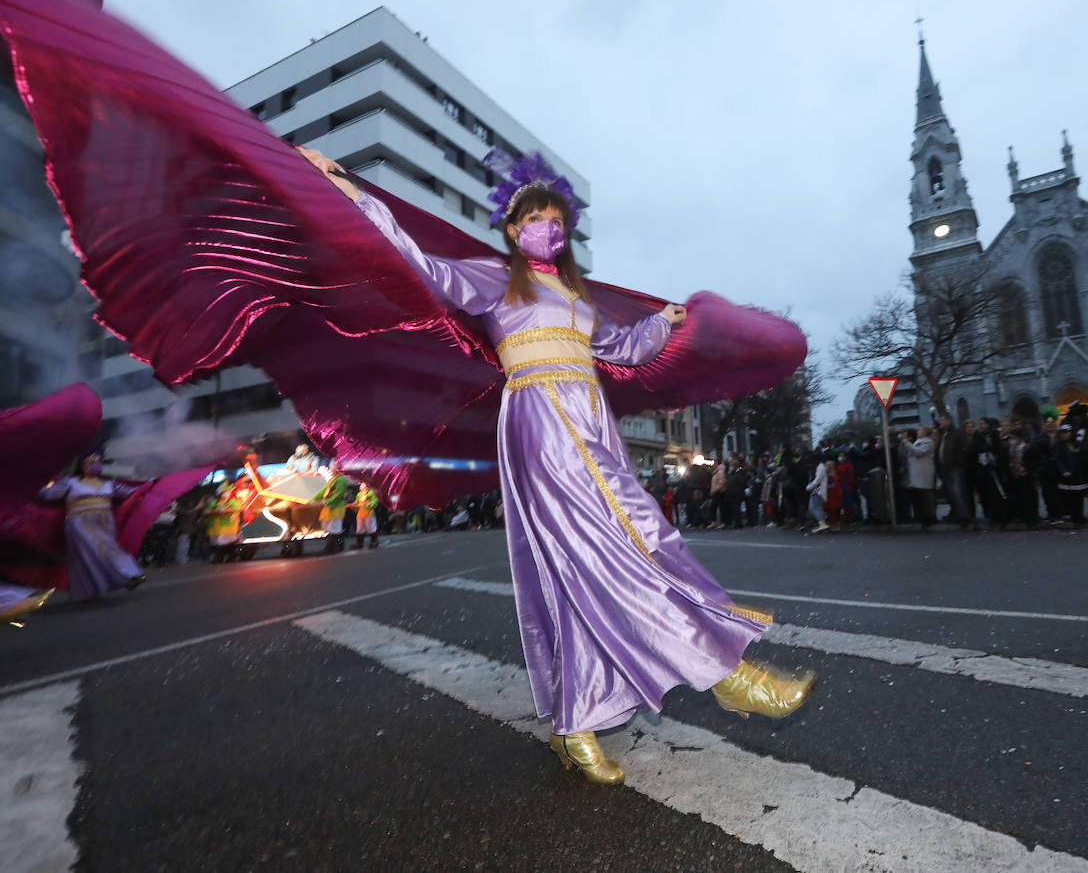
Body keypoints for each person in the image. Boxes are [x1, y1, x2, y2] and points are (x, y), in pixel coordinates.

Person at [301, 146, 811, 786]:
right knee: (619, 547)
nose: (552, 229)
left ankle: (577, 722)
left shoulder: (573, 295)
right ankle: (729, 674)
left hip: (590, 419)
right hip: (541, 419)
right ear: (514, 230)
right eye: (538, 219)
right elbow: (420, 265)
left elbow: (622, 348)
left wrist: (664, 322)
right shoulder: (493, 279)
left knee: (618, 549)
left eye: (559, 221)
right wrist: (354, 195)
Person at [37, 454, 148, 600]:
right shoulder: (70, 482)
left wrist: (149, 487)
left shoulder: (109, 484)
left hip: (105, 523)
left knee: (110, 549)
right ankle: (122, 578)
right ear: (81, 465)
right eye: (89, 461)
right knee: (91, 552)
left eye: (96, 461)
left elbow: (131, 492)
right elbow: (47, 494)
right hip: (78, 523)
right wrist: (37, 483)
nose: (93, 464)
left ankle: (125, 577)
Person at [1052, 425, 1088, 525]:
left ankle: (1079, 516)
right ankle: (1073, 516)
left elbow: (1081, 457)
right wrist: (1063, 470)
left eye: (1067, 432)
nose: (1065, 435)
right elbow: (1058, 459)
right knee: (1069, 498)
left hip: (1078, 475)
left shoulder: (1077, 444)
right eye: (1063, 433)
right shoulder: (1058, 444)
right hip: (1066, 476)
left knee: (1079, 497)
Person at [901, 428, 937, 529]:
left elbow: (918, 452)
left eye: (921, 430)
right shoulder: (917, 442)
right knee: (920, 497)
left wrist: (907, 444)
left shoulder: (928, 442)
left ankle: (930, 517)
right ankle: (922, 517)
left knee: (926, 497)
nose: (918, 431)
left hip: (924, 472)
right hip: (916, 473)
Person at [313, 468, 350, 553]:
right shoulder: (334, 479)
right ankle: (337, 546)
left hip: (336, 506)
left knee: (334, 527)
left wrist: (327, 501)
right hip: (331, 506)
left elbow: (339, 494)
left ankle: (330, 548)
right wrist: (313, 499)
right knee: (330, 527)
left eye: (332, 468)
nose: (330, 470)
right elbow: (323, 491)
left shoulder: (341, 479)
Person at [351, 481, 380, 549]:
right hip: (360, 513)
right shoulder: (359, 494)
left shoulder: (371, 492)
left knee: (371, 527)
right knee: (360, 528)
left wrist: (371, 504)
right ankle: (359, 542)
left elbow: (374, 500)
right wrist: (354, 505)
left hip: (369, 512)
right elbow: (357, 502)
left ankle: (374, 541)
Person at [805, 455, 830, 533]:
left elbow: (817, 480)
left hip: (818, 491)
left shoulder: (820, 467)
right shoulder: (819, 467)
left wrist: (809, 487)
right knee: (813, 507)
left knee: (815, 507)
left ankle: (822, 523)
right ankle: (822, 522)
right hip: (817, 491)